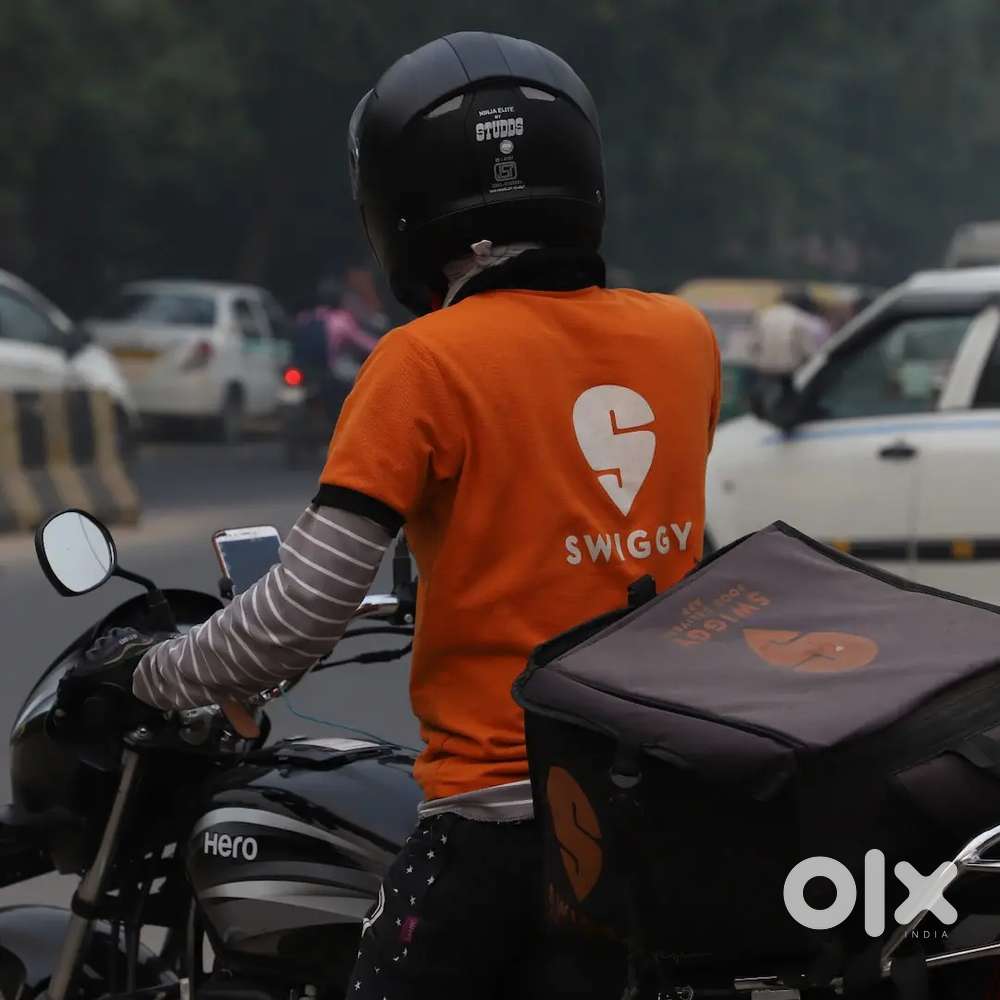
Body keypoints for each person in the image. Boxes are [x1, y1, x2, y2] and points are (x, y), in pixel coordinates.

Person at [129, 31, 720, 998]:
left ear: (399, 201)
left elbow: (299, 615)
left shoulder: (424, 361)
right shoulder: (684, 338)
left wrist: (154, 673)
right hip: (664, 811)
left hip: (502, 827)